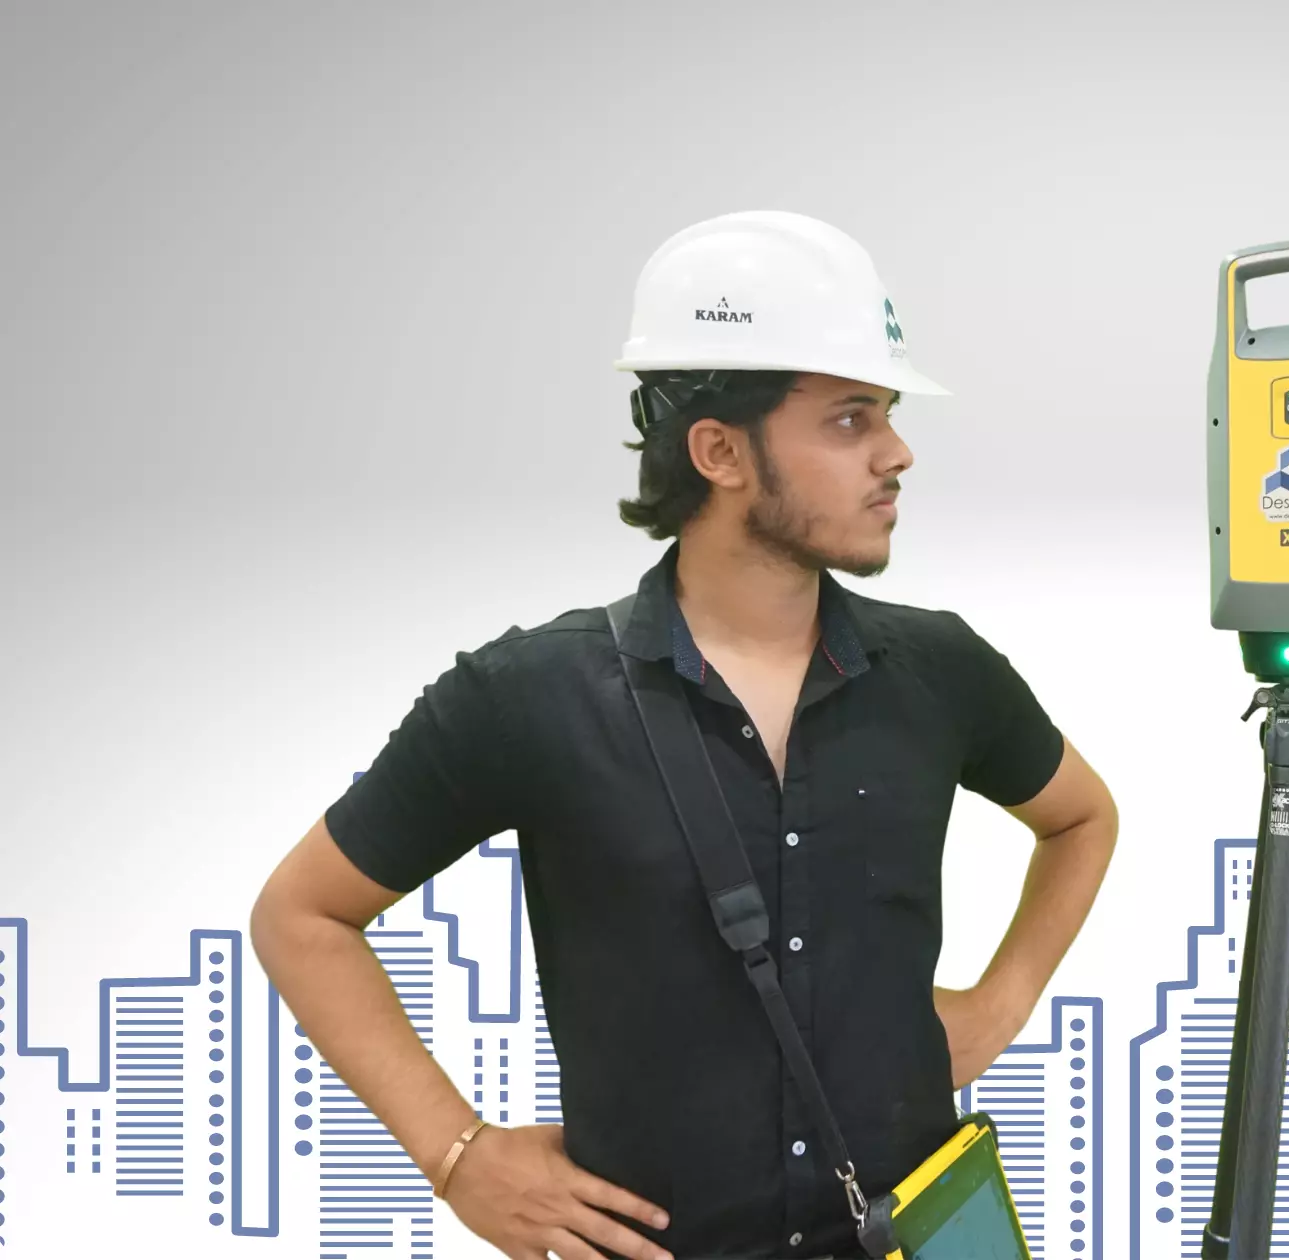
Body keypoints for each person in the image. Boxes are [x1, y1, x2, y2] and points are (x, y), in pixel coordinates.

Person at [250, 211, 1120, 1260]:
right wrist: (458, 1155)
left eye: (884, 414)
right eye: (848, 420)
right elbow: (302, 915)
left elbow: (1079, 816)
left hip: (920, 1236)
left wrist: (1000, 1002)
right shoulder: (527, 695)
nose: (896, 454)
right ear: (718, 450)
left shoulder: (939, 671)